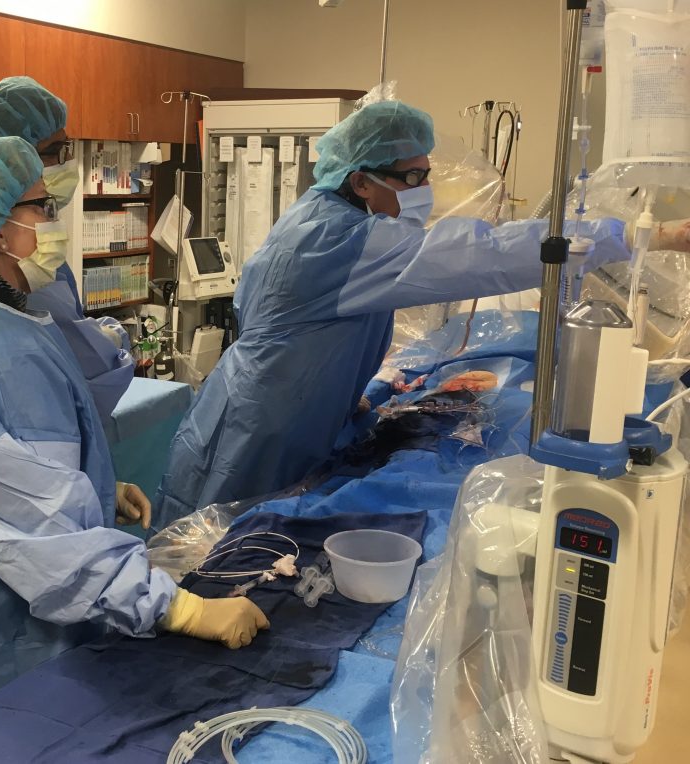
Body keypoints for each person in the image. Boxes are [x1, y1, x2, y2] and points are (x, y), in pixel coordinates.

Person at [0, 136, 269, 726]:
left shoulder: (3, 319)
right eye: (40, 208)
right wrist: (178, 609)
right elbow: (36, 529)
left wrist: (99, 489)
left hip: (13, 598)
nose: (51, 223)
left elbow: (27, 474)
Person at [154, 99, 630, 529]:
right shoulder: (342, 240)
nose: (424, 189)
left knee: (244, 532)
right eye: (413, 177)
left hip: (271, 403)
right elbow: (483, 255)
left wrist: (339, 392)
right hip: (259, 425)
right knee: (210, 544)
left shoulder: (326, 215)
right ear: (360, 180)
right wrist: (618, 239)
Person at [0, 76, 136, 432]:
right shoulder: (13, 270)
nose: (64, 164)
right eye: (55, 151)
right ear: (11, 158)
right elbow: (84, 374)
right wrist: (111, 340)